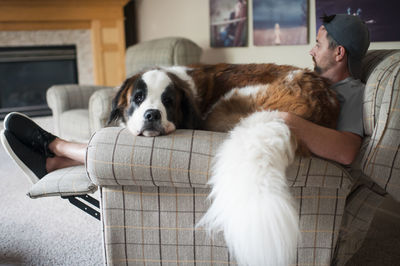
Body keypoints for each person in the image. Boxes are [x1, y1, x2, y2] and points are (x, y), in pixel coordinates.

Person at [1, 14, 369, 179]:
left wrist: (286, 120)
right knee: (149, 133)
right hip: (256, 118)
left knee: (159, 138)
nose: (310, 51)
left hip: (270, 137)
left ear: (339, 54)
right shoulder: (311, 83)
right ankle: (56, 162)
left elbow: (347, 150)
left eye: (318, 44)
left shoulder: (349, 91)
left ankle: (59, 148)